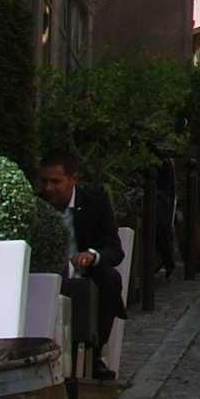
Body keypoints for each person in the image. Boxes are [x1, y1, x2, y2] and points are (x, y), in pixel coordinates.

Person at [38, 151, 124, 381]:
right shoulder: (37, 205)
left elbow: (114, 249)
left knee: (110, 279)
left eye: (56, 182)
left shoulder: (95, 201)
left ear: (73, 179)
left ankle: (94, 354)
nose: (49, 188)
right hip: (51, 275)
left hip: (87, 273)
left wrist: (92, 256)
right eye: (44, 181)